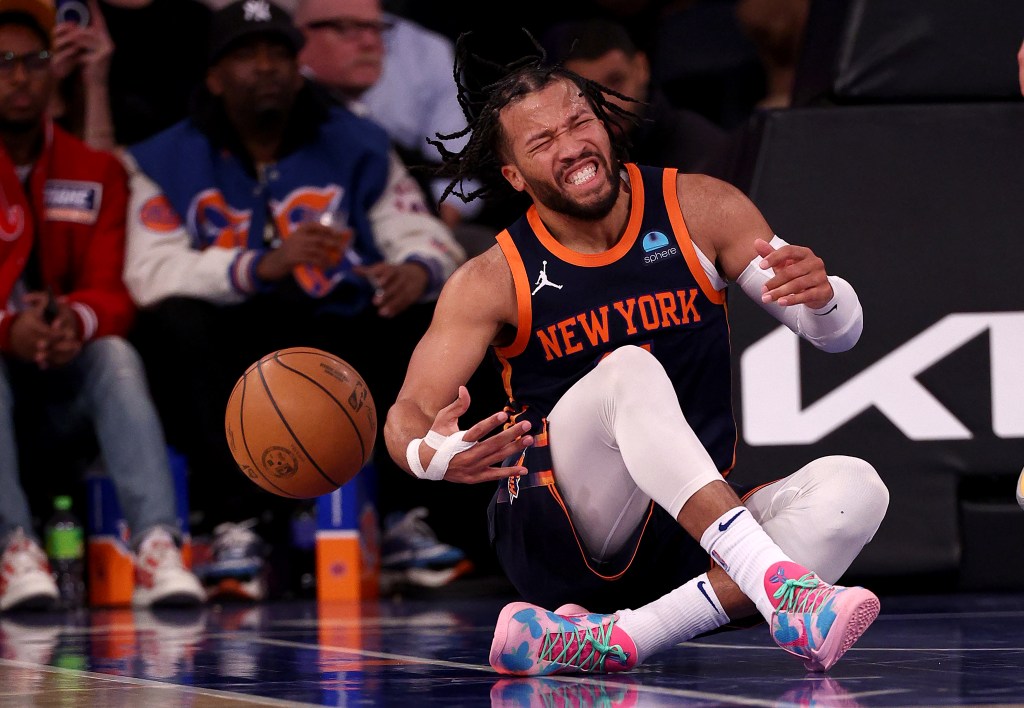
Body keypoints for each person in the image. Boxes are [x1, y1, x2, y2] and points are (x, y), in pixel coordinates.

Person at [383, 34, 889, 675]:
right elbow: (405, 418)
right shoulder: (492, 277)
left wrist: (827, 297)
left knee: (856, 488)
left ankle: (624, 637)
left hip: (683, 534)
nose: (571, 148)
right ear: (513, 175)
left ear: (604, 120)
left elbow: (835, 334)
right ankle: (778, 586)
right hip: (556, 531)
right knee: (627, 367)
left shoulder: (699, 207)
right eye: (542, 143)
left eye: (579, 122)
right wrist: (436, 456)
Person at [121, 0, 466, 600]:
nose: (266, 68)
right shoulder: (162, 159)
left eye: (278, 54)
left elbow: (426, 236)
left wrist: (416, 268)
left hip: (337, 325)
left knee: (417, 313)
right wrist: (257, 264)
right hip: (232, 334)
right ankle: (236, 524)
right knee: (174, 322)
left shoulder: (357, 142)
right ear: (214, 76)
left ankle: (402, 520)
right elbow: (149, 273)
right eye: (246, 56)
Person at [0, 0, 203, 611]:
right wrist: (10, 328)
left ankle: (156, 549)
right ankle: (13, 550)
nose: (18, 76)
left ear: (54, 70)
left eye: (33, 60)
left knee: (114, 351)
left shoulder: (95, 170)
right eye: (1, 62)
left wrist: (72, 322)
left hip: (63, 384)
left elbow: (112, 292)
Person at [293, 0, 491, 255]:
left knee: (495, 254)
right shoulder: (284, 99)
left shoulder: (424, 51)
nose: (369, 42)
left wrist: (423, 247)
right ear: (299, 38)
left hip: (407, 227)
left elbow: (461, 175)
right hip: (308, 241)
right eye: (347, 28)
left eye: (376, 28)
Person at [542, 17, 737, 181]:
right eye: (588, 89)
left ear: (641, 67)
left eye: (615, 81)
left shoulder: (700, 148)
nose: (607, 103)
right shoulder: (569, 157)